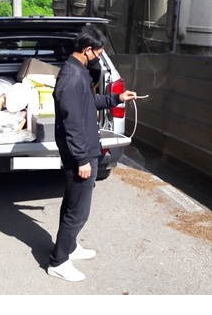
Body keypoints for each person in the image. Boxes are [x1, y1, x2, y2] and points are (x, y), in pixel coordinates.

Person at [46, 25, 136, 282]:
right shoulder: (71, 78)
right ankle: (58, 261)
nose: (99, 57)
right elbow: (72, 124)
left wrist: (117, 98)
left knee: (73, 204)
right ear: (87, 50)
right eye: (98, 53)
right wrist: (82, 159)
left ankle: (70, 247)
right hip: (80, 155)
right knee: (78, 211)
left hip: (86, 149)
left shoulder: (79, 72)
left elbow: (89, 103)